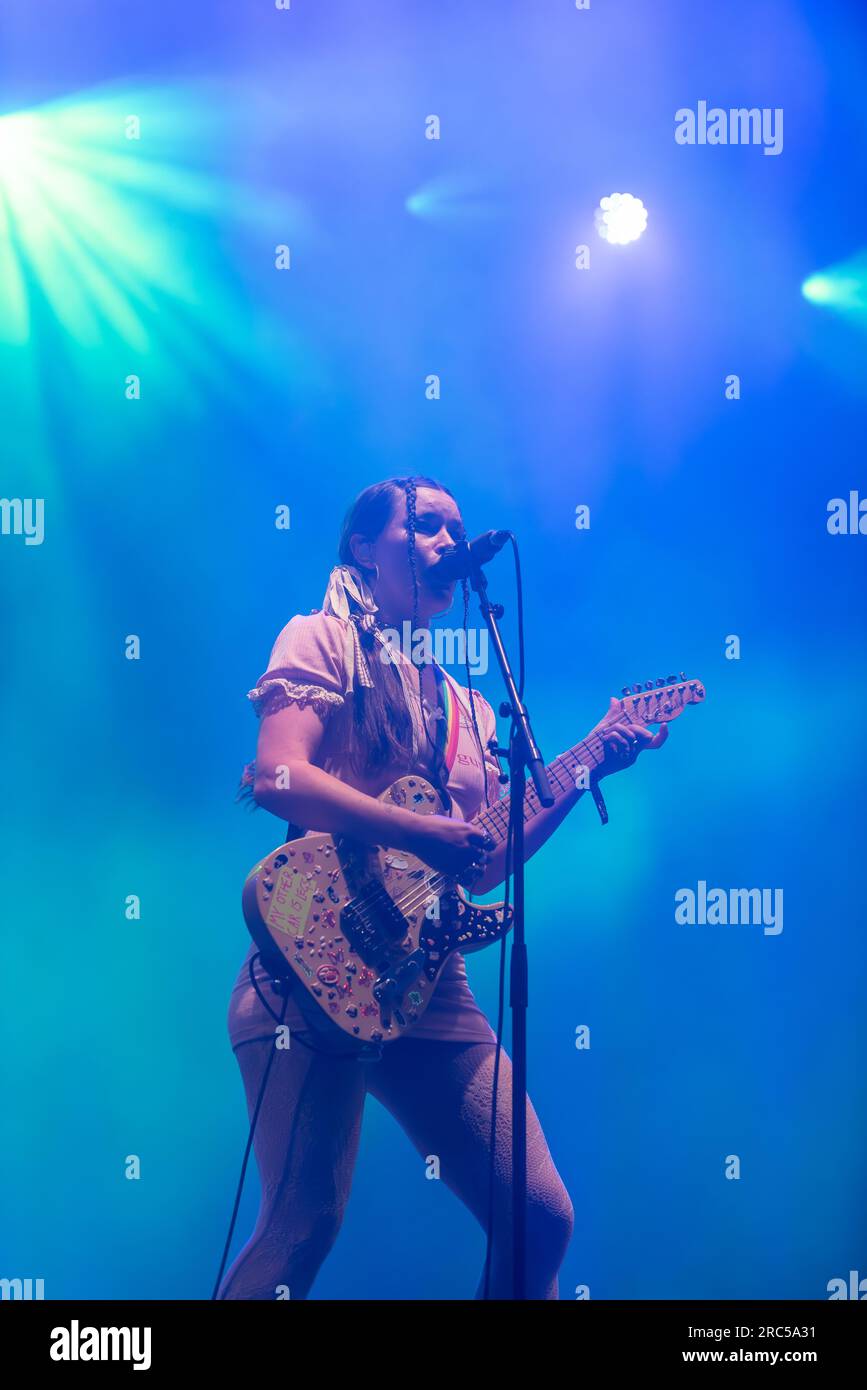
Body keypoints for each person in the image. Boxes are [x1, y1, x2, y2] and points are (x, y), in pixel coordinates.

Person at [218, 475, 668, 1300]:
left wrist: (587, 763)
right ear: (364, 546)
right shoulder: (318, 638)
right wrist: (415, 829)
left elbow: (481, 858)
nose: (444, 544)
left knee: (539, 1215)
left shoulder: (468, 709)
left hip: (428, 978)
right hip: (312, 959)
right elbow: (277, 774)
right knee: (303, 1223)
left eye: (454, 531)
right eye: (424, 525)